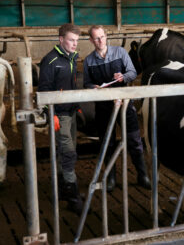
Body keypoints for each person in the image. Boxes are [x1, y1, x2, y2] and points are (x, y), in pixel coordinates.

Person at [83, 25, 151, 192]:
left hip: (125, 104)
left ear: (106, 37)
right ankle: (111, 177)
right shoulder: (88, 61)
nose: (100, 40)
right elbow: (86, 83)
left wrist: (123, 76)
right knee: (107, 142)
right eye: (96, 38)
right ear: (91, 40)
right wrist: (94, 87)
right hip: (103, 106)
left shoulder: (120, 53)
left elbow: (133, 72)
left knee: (134, 139)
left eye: (102, 37)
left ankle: (142, 175)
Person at [38, 23, 83, 214]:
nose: (75, 44)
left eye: (77, 41)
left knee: (63, 150)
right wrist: (52, 114)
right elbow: (44, 90)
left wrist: (77, 107)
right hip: (60, 116)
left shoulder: (71, 58)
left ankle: (61, 188)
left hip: (71, 112)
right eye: (71, 40)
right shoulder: (50, 61)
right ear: (61, 39)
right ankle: (73, 197)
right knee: (68, 152)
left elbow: (71, 85)